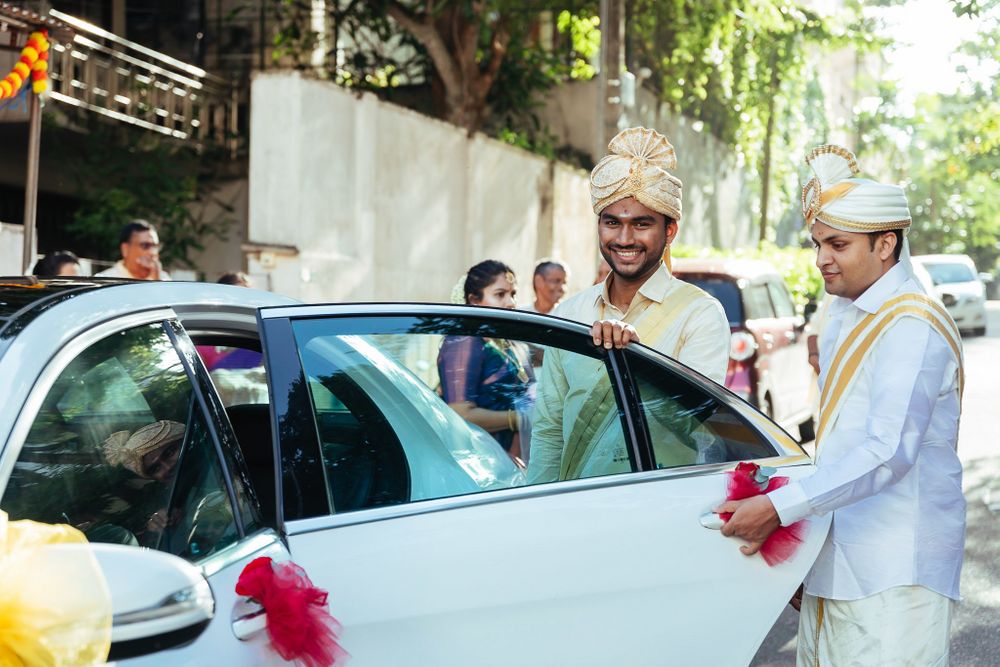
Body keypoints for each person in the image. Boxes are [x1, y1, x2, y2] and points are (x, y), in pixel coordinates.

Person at [716, 145, 965, 666]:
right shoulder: (844, 312)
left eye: (838, 244)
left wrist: (777, 510)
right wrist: (808, 553)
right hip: (839, 558)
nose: (822, 258)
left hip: (897, 573)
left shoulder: (911, 323)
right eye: (817, 244)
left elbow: (888, 451)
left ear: (886, 244)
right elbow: (836, 447)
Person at [527, 126, 730, 483]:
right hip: (575, 505)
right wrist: (533, 507)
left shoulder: (700, 314)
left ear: (669, 231)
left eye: (641, 224)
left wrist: (639, 362)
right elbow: (548, 430)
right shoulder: (570, 313)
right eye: (612, 223)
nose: (624, 238)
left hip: (655, 507)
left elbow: (701, 428)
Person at [438, 260, 536, 462]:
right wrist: (520, 419)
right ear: (474, 301)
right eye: (500, 294)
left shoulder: (503, 341)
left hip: (511, 458)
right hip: (481, 462)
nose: (511, 303)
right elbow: (460, 414)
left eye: (513, 294)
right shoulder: (463, 341)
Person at [101, 420, 185, 543]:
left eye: (169, 453)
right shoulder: (159, 498)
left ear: (184, 441)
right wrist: (156, 525)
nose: (167, 467)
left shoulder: (213, 461)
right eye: (156, 468)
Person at [96, 219, 171, 280]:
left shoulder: (164, 279)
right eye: (145, 246)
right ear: (125, 249)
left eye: (155, 246)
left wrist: (157, 282)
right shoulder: (105, 282)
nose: (152, 252)